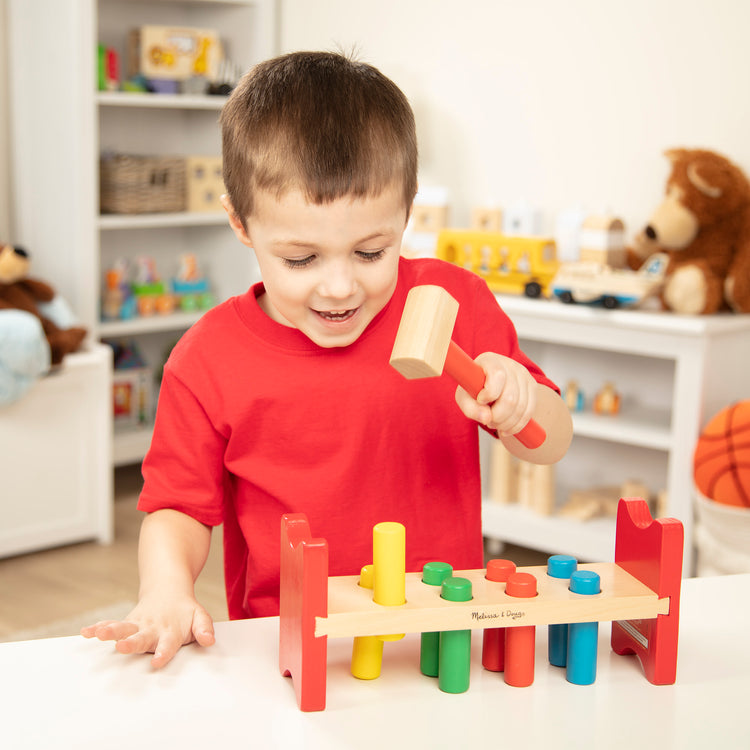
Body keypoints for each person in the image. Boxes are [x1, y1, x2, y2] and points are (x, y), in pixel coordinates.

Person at [82, 51, 573, 667]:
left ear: (407, 211)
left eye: (371, 251)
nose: (339, 286)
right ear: (241, 222)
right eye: (300, 259)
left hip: (439, 638)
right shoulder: (206, 360)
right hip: (289, 645)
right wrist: (164, 591)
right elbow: (178, 506)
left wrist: (523, 404)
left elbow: (550, 442)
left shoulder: (452, 305)